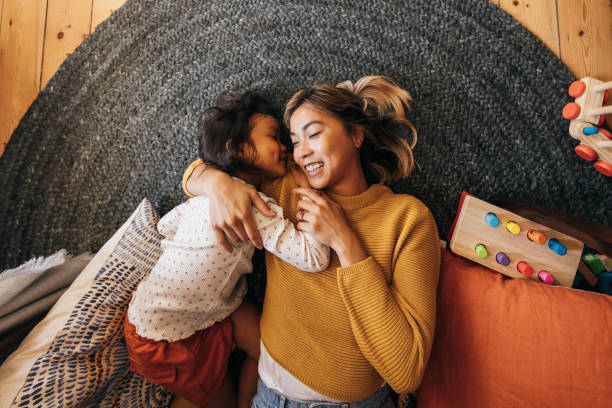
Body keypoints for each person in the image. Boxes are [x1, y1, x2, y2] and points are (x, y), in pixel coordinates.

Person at [184, 76, 441, 407]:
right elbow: (199, 170)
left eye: (314, 134)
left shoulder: (407, 219)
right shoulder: (281, 188)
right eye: (293, 141)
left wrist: (345, 241)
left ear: (356, 135)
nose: (302, 152)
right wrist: (218, 184)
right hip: (267, 397)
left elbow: (407, 372)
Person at [124, 90, 330, 408]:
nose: (285, 148)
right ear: (240, 149)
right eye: (274, 137)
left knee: (269, 348)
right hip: (165, 341)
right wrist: (308, 192)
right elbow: (314, 258)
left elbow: (166, 227)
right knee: (221, 398)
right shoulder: (259, 207)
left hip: (157, 311)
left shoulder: (201, 199)